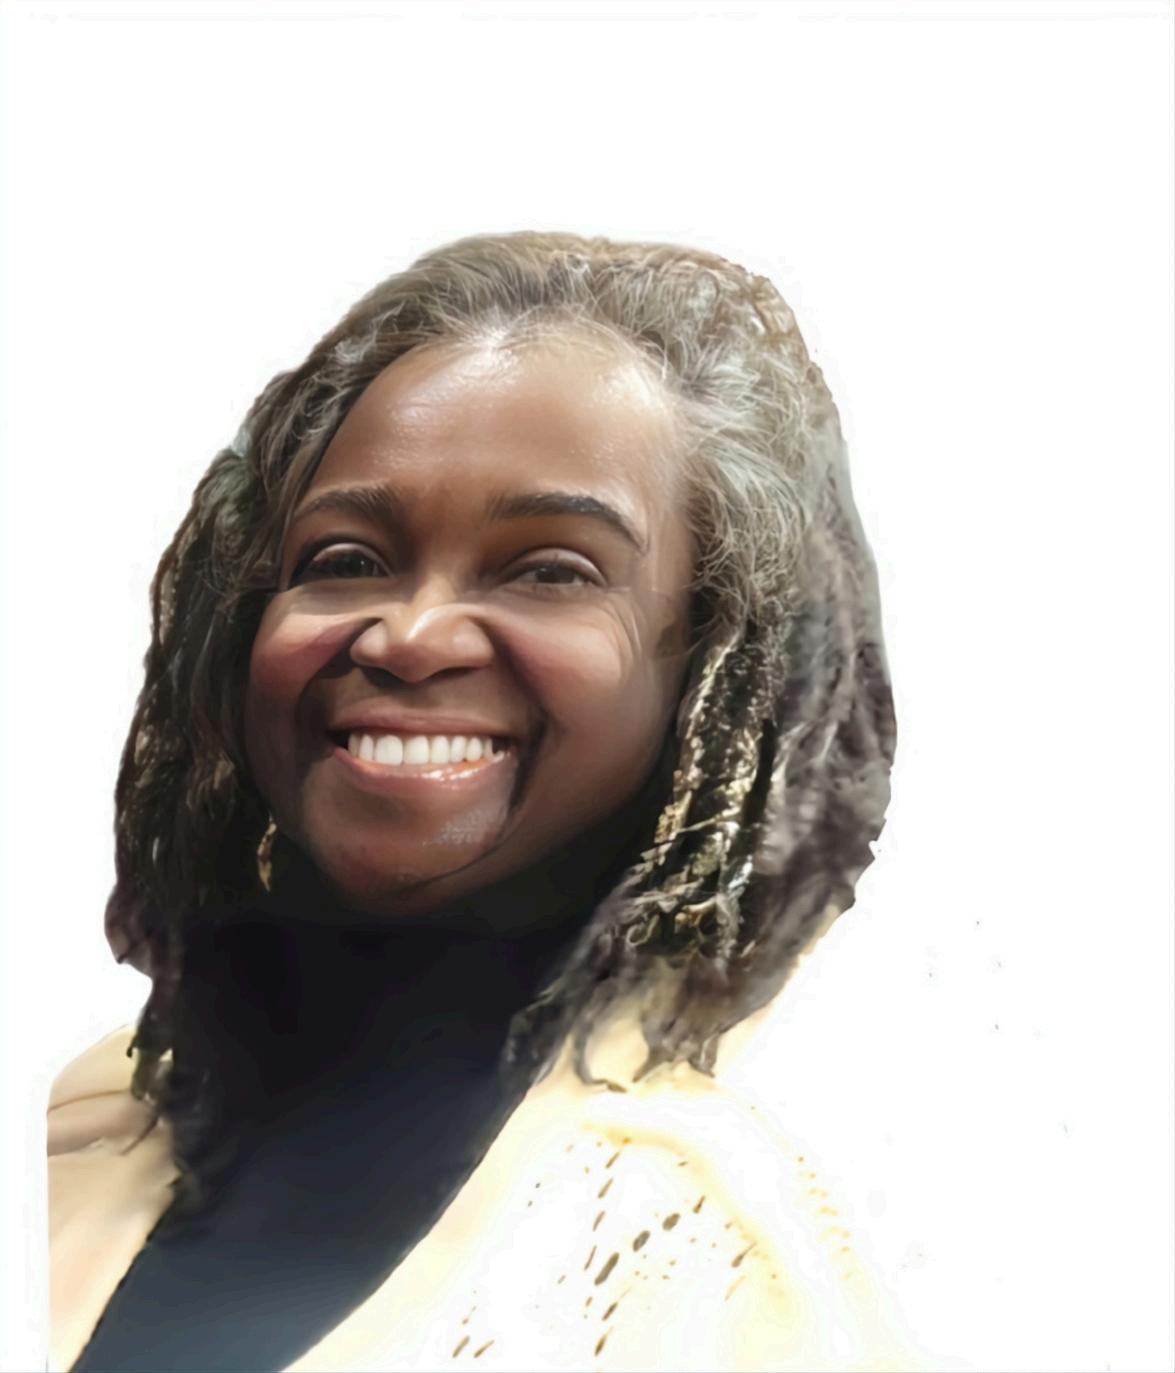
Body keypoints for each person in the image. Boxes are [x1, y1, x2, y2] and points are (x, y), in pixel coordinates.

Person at [46, 232, 908, 1372]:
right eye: (345, 558)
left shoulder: (712, 1267)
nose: (409, 634)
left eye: (550, 569)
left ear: (712, 662)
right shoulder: (83, 1124)